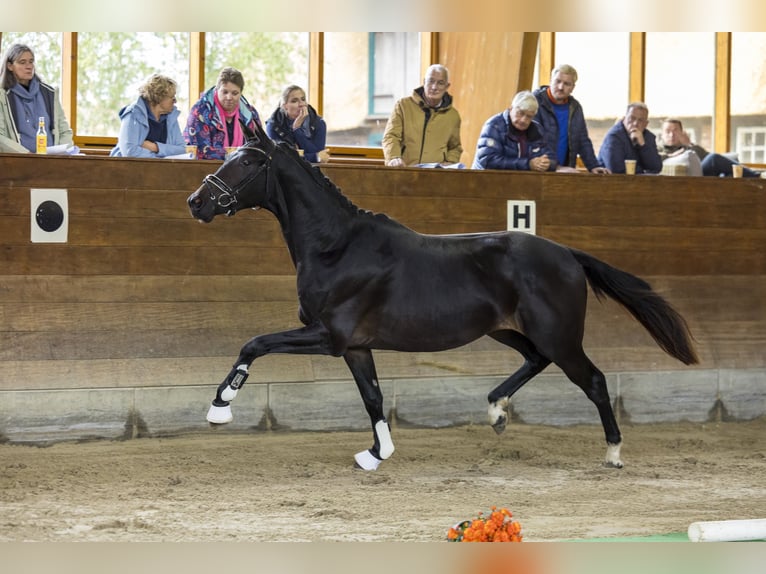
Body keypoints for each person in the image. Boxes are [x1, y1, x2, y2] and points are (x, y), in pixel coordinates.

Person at [381, 64, 463, 167]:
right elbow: (391, 136)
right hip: (405, 171)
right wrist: (393, 157)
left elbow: (455, 147)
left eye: (440, 83)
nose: (434, 87)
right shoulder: (403, 106)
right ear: (424, 82)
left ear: (447, 86)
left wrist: (450, 163)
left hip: (435, 177)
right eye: (431, 81)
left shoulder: (453, 116)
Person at [533, 64, 609, 174]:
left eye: (566, 84)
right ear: (550, 81)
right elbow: (534, 141)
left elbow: (583, 140)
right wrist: (555, 167)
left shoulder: (575, 107)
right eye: (557, 81)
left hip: (566, 171)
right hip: (538, 171)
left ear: (572, 88)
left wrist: (593, 166)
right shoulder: (535, 102)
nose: (560, 87)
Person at [0, 43, 73, 153]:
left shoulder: (49, 93)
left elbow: (64, 131)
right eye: (22, 62)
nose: (29, 66)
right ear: (10, 66)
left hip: (51, 162)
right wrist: (27, 156)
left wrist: (61, 155)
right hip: (17, 162)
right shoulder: (3, 95)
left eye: (31, 61)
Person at [184, 67, 261, 160]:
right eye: (225, 92)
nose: (229, 97)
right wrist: (237, 155)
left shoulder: (251, 114)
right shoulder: (199, 111)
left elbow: (258, 148)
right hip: (205, 170)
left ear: (241, 93)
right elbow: (201, 151)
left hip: (242, 169)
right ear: (217, 90)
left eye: (235, 93)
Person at [471, 90, 557, 172]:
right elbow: (488, 160)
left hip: (520, 183)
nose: (524, 120)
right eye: (520, 113)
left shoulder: (537, 129)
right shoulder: (494, 126)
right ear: (510, 109)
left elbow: (551, 158)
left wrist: (547, 164)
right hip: (484, 181)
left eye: (529, 116)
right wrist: (528, 164)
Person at [109, 73, 185, 158]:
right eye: (172, 97)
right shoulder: (133, 114)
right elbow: (129, 152)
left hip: (160, 169)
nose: (175, 101)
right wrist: (162, 157)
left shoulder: (171, 116)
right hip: (127, 168)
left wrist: (155, 147)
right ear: (159, 97)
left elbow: (181, 150)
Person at [658, 118, 761, 178]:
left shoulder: (688, 147)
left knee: (725, 175)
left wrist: (689, 145)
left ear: (682, 132)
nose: (671, 135)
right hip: (687, 178)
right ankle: (756, 176)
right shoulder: (658, 148)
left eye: (675, 131)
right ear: (662, 134)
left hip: (702, 175)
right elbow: (655, 161)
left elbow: (705, 157)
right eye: (667, 131)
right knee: (714, 158)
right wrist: (672, 155)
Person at [266, 85, 328, 163]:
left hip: (311, 172)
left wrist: (297, 129)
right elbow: (281, 158)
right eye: (294, 101)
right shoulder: (273, 125)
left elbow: (320, 156)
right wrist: (313, 157)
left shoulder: (318, 123)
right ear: (285, 106)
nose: (301, 104)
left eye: (303, 99)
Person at [597, 102, 662, 174]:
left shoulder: (648, 137)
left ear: (646, 124)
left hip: (639, 182)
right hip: (610, 182)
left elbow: (656, 167)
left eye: (640, 120)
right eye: (632, 118)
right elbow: (616, 169)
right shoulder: (614, 136)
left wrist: (643, 146)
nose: (635, 123)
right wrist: (643, 171)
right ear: (624, 119)